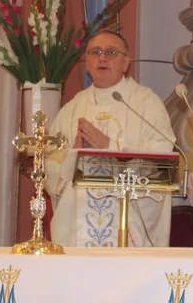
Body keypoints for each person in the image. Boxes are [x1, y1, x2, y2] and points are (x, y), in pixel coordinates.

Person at [44, 30, 176, 247]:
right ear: (87, 62)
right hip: (77, 220)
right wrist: (75, 154)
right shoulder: (72, 109)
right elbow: (50, 163)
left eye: (111, 52)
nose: (102, 58)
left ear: (126, 63)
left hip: (131, 215)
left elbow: (163, 155)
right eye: (95, 52)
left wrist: (110, 146)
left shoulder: (146, 103)